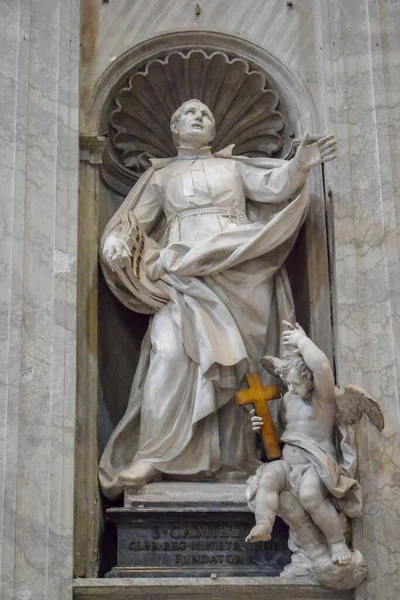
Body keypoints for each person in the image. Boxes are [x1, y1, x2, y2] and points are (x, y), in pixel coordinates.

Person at [98, 99, 337, 498]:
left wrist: (299, 164)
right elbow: (130, 223)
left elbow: (274, 186)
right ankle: (155, 455)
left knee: (242, 369)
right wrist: (114, 243)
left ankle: (233, 458)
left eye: (207, 113)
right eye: (190, 113)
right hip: (181, 272)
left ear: (213, 130)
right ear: (174, 128)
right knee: (170, 354)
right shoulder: (160, 177)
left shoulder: (234, 167)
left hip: (240, 268)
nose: (199, 117)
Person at [247, 321, 360, 566]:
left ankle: (337, 542)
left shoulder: (323, 400)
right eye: (286, 383)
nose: (289, 388)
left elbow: (321, 366)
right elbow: (280, 434)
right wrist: (262, 426)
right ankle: (263, 523)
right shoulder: (288, 399)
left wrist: (301, 340)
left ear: (309, 379)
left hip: (316, 466)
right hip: (289, 464)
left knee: (310, 495)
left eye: (295, 383)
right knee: (268, 476)